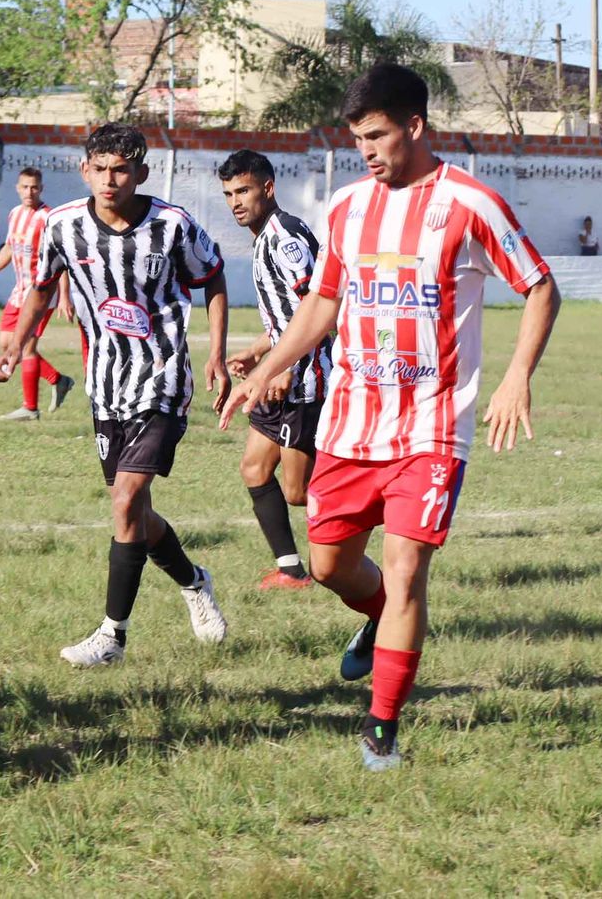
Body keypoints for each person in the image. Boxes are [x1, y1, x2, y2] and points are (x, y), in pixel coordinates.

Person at [221, 64, 560, 771]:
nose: (368, 151)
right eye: (358, 139)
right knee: (329, 564)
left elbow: (538, 285)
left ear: (415, 126)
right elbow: (322, 303)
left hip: (432, 428)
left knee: (406, 571)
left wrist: (516, 375)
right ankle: (378, 624)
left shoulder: (469, 202)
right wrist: (270, 365)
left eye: (378, 135)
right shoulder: (347, 207)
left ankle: (381, 731)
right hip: (348, 425)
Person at [0, 123, 232, 667]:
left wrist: (215, 353)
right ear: (84, 171)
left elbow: (214, 278)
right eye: (100, 168)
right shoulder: (62, 225)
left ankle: (112, 637)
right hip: (106, 385)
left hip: (163, 378)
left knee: (126, 500)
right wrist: (15, 345)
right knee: (134, 513)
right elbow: (41, 290)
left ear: (140, 173)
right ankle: (195, 581)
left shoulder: (172, 226)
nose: (110, 179)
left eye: (121, 169)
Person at [218, 149, 328, 590]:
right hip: (280, 376)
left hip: (304, 380)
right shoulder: (262, 236)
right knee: (253, 469)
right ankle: (291, 571)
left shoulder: (285, 238)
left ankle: (380, 501)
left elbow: (319, 308)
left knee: (298, 492)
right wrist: (257, 351)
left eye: (242, 190)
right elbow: (287, 318)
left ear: (267, 187)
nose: (235, 202)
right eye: (228, 194)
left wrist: (286, 366)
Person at [0, 167, 76, 422]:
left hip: (42, 294)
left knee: (27, 349)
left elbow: (60, 260)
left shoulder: (48, 218)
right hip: (19, 290)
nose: (30, 191)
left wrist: (64, 296)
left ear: (41, 189)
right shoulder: (15, 214)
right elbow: (9, 248)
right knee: (7, 344)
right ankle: (57, 380)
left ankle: (30, 408)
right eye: (25, 187)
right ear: (17, 188)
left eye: (34, 187)